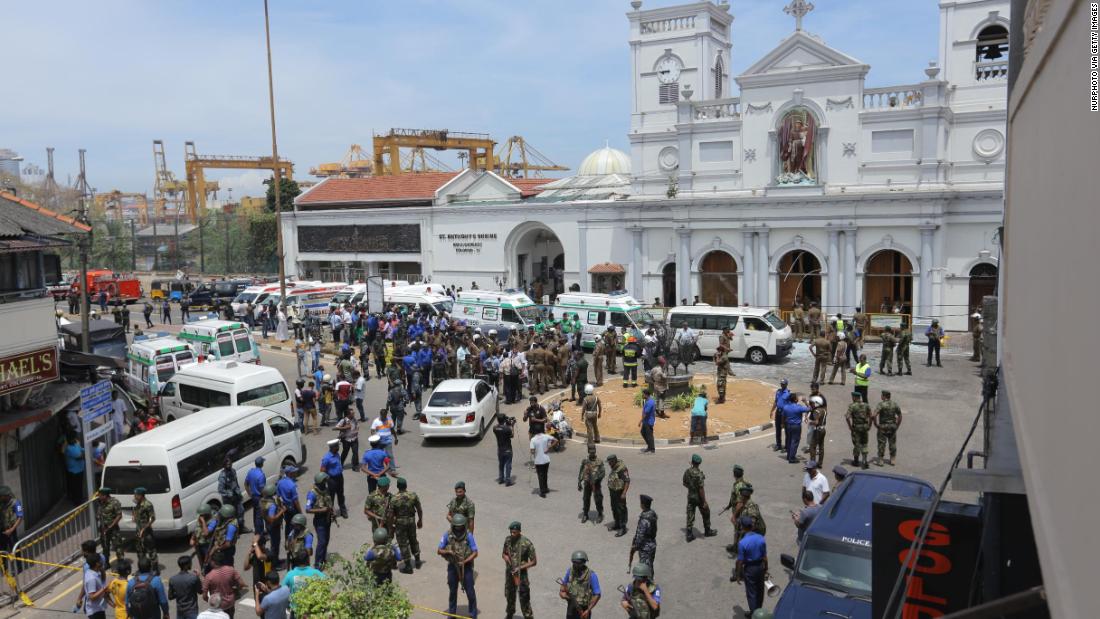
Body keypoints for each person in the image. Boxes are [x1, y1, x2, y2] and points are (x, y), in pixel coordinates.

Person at [438, 513, 479, 618]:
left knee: (470, 591)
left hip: (467, 567)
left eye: (460, 526)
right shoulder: (448, 534)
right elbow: (439, 550)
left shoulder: (468, 535)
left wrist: (465, 562)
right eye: (456, 526)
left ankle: (472, 614)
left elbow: (475, 552)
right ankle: (451, 614)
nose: (458, 528)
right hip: (453, 566)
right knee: (452, 591)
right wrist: (448, 552)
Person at [502, 521, 537, 619]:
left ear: (519, 531)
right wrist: (507, 559)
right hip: (510, 573)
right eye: (511, 532)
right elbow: (504, 553)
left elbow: (534, 561)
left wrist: (519, 567)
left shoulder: (526, 543)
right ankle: (510, 613)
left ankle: (528, 616)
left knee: (524, 598)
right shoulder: (508, 540)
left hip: (521, 575)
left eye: (514, 532)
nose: (512, 534)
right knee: (509, 595)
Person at [734, 516, 768, 616]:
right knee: (760, 591)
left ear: (743, 527)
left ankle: (754, 614)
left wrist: (738, 574)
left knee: (751, 592)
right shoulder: (761, 538)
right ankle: (758, 611)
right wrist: (765, 568)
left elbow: (740, 561)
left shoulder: (742, 543)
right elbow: (765, 557)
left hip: (750, 569)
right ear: (752, 526)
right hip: (760, 567)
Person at [390, 477, 424, 573]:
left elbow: (391, 515)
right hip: (411, 522)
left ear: (397, 486)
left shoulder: (394, 499)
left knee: (403, 543)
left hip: (400, 524)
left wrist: (391, 525)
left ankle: (408, 566)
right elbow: (419, 509)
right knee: (413, 540)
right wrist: (420, 520)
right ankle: (417, 561)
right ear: (406, 486)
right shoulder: (413, 495)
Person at [682, 453, 717, 541]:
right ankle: (707, 530)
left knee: (690, 513)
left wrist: (691, 488)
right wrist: (704, 501)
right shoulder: (699, 475)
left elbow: (684, 483)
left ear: (692, 462)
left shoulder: (687, 471)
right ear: (699, 463)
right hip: (698, 497)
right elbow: (701, 489)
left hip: (691, 495)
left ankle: (689, 534)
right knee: (706, 512)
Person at [560, 550, 601, 619]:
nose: (576, 565)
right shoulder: (570, 571)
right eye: (574, 562)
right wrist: (562, 594)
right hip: (571, 606)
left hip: (584, 608)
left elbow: (597, 594)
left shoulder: (591, 575)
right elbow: (563, 586)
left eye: (578, 563)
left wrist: (588, 610)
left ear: (584, 562)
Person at [305, 472, 334, 568]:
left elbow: (328, 502)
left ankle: (323, 559)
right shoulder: (312, 493)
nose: (326, 481)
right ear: (321, 481)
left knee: (326, 540)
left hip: (327, 518)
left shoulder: (325, 489)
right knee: (321, 542)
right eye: (325, 480)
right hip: (319, 521)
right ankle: (317, 564)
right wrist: (322, 510)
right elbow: (308, 509)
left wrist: (331, 511)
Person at [872, 390, 903, 466]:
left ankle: (881, 460)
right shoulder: (894, 404)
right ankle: (892, 459)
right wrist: (897, 425)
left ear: (884, 396)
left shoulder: (881, 405)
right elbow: (900, 415)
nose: (881, 396)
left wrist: (876, 424)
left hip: (883, 426)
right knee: (892, 443)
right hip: (892, 426)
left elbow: (874, 415)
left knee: (881, 443)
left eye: (882, 395)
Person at [131, 488, 158, 573]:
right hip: (138, 531)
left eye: (136, 495)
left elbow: (152, 519)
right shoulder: (137, 504)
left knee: (151, 551)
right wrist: (134, 517)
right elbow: (136, 516)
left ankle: (155, 569)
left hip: (146, 532)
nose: (134, 496)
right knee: (140, 551)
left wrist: (144, 529)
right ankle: (142, 568)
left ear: (140, 495)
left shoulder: (147, 504)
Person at [577, 444, 605, 524]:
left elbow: (603, 472)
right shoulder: (585, 461)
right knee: (586, 499)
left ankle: (600, 514)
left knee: (598, 499)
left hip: (596, 484)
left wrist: (597, 478)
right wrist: (579, 481)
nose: (592, 453)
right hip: (587, 483)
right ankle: (585, 514)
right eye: (590, 451)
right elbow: (581, 471)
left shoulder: (599, 461)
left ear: (595, 451)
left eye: (593, 451)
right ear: (588, 451)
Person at [628, 494, 658, 570]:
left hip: (645, 547)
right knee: (650, 566)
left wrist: (635, 546)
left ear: (643, 505)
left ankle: (648, 581)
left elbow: (640, 535)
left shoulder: (644, 519)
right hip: (652, 544)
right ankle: (651, 580)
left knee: (644, 569)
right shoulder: (652, 514)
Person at [844, 391, 872, 469]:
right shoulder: (866, 405)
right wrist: (869, 425)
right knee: (864, 443)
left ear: (854, 397)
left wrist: (850, 426)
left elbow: (847, 417)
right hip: (865, 427)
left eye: (852, 397)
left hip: (856, 428)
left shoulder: (852, 406)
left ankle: (856, 461)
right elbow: (871, 416)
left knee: (857, 444)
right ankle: (864, 461)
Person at [259, 486, 285, 570]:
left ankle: (276, 560)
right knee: (275, 545)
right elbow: (271, 518)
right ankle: (274, 565)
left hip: (268, 526)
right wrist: (282, 511)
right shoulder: (272, 505)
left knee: (274, 545)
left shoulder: (263, 501)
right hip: (274, 527)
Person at [320, 440, 347, 519]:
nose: (338, 447)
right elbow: (322, 470)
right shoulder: (327, 458)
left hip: (340, 477)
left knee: (341, 495)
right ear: (332, 447)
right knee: (331, 497)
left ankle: (343, 510)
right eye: (337, 446)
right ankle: (330, 513)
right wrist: (325, 480)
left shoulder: (337, 454)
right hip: (332, 480)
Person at [218, 459, 247, 533]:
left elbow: (236, 483)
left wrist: (239, 493)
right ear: (224, 466)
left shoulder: (233, 471)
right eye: (227, 464)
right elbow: (220, 490)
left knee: (241, 511)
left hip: (236, 496)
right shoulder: (222, 476)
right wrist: (229, 494)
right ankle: (234, 532)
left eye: (230, 464)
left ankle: (241, 528)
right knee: (231, 515)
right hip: (228, 499)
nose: (229, 465)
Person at [94, 488, 123, 562]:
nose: (99, 497)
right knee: (105, 547)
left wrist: (111, 526)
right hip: (104, 529)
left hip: (113, 529)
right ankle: (106, 563)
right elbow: (98, 514)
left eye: (100, 495)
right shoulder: (101, 503)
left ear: (105, 496)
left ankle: (121, 563)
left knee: (117, 547)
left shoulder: (114, 502)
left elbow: (119, 515)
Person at [606, 454, 631, 537]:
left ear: (613, 461)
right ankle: (617, 523)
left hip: (620, 493)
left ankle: (623, 528)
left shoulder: (622, 468)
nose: (609, 464)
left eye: (610, 462)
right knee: (614, 508)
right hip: (613, 492)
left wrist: (624, 493)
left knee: (621, 510)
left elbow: (627, 481)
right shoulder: (614, 467)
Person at [781, 393, 810, 464]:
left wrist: (783, 424)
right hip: (796, 426)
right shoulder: (799, 407)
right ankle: (792, 458)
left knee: (789, 440)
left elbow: (783, 417)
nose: (798, 399)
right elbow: (810, 409)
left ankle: (789, 455)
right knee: (795, 441)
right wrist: (805, 402)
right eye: (797, 398)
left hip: (788, 425)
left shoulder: (786, 407)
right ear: (795, 399)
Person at [530, 426, 557, 499]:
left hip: (538, 460)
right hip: (546, 459)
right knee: (545, 475)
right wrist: (549, 447)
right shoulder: (546, 436)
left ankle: (542, 491)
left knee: (540, 476)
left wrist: (533, 451)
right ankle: (545, 488)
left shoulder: (533, 439)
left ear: (535, 432)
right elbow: (556, 440)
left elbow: (532, 451)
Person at [82, 553, 110, 619]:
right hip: (95, 612)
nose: (102, 561)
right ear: (97, 563)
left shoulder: (93, 571)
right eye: (100, 560)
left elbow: (103, 579)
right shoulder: (92, 578)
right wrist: (104, 588)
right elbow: (92, 597)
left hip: (99, 608)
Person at [245, 458, 267, 536]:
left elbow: (246, 483)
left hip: (253, 497)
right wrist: (265, 499)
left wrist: (249, 493)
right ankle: (260, 534)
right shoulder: (261, 475)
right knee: (259, 516)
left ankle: (258, 531)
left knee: (256, 514)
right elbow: (262, 489)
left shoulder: (250, 471)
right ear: (262, 464)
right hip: (259, 497)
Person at [334, 409, 360, 473]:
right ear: (348, 414)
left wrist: (356, 430)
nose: (354, 414)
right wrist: (345, 428)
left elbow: (357, 426)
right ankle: (341, 464)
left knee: (355, 452)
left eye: (353, 413)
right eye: (352, 413)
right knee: (345, 452)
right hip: (346, 440)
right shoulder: (343, 420)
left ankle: (354, 466)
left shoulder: (354, 419)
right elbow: (335, 428)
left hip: (354, 439)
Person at [493, 413, 515, 486]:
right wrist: (512, 425)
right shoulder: (507, 429)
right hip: (508, 449)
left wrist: (506, 423)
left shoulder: (495, 428)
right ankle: (508, 481)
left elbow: (500, 427)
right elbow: (512, 435)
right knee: (508, 465)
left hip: (500, 449)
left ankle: (501, 479)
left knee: (501, 465)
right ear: (504, 420)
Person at [63, 435, 86, 505]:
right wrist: (84, 454)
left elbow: (82, 450)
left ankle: (80, 498)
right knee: (76, 487)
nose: (75, 440)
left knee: (79, 486)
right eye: (74, 439)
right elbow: (79, 456)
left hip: (80, 469)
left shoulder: (76, 444)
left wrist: (84, 452)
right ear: (70, 441)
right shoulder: (69, 448)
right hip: (74, 471)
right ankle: (77, 502)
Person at [770, 379, 790, 452]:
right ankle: (778, 445)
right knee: (778, 430)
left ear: (786, 384)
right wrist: (772, 410)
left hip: (784, 414)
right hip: (778, 413)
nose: (782, 385)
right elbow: (776, 401)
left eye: (783, 384)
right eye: (781, 384)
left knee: (786, 431)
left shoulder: (788, 394)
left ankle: (787, 447)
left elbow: (789, 405)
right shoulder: (778, 392)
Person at [639, 389, 656, 454]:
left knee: (649, 435)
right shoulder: (648, 401)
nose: (642, 395)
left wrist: (640, 421)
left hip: (648, 421)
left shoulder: (650, 402)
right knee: (643, 432)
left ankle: (652, 449)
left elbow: (646, 413)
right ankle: (649, 446)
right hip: (646, 421)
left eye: (643, 394)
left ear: (646, 394)